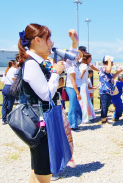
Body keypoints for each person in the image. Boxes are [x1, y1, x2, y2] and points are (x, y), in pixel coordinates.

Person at [18, 23, 66, 183]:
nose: (51, 43)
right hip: (41, 123)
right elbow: (45, 94)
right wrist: (55, 73)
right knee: (43, 172)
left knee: (37, 170)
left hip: (42, 121)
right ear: (37, 40)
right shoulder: (32, 63)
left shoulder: (36, 62)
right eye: (48, 38)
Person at [66, 31, 83, 131]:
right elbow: (72, 81)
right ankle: (72, 125)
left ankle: (75, 123)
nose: (78, 56)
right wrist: (77, 92)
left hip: (76, 87)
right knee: (72, 106)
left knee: (76, 105)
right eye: (78, 55)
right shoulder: (71, 66)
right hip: (73, 88)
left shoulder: (75, 65)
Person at [99, 55, 123, 124]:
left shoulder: (107, 70)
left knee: (106, 104)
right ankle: (104, 120)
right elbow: (108, 70)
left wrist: (118, 72)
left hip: (108, 90)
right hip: (104, 90)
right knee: (104, 105)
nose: (112, 63)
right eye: (111, 62)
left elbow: (112, 77)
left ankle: (105, 119)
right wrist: (109, 61)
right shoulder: (104, 67)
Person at [79, 53, 96, 123]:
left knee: (85, 102)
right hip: (83, 86)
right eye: (90, 58)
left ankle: (87, 117)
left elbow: (93, 67)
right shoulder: (84, 66)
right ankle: (85, 118)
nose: (91, 59)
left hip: (83, 85)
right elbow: (80, 76)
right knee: (85, 103)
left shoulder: (83, 65)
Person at [1, 60, 18, 125]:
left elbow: (3, 81)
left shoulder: (7, 70)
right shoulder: (14, 70)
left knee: (4, 105)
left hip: (5, 87)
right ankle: (10, 118)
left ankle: (4, 119)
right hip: (10, 88)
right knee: (10, 104)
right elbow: (13, 78)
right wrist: (17, 83)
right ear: (13, 64)